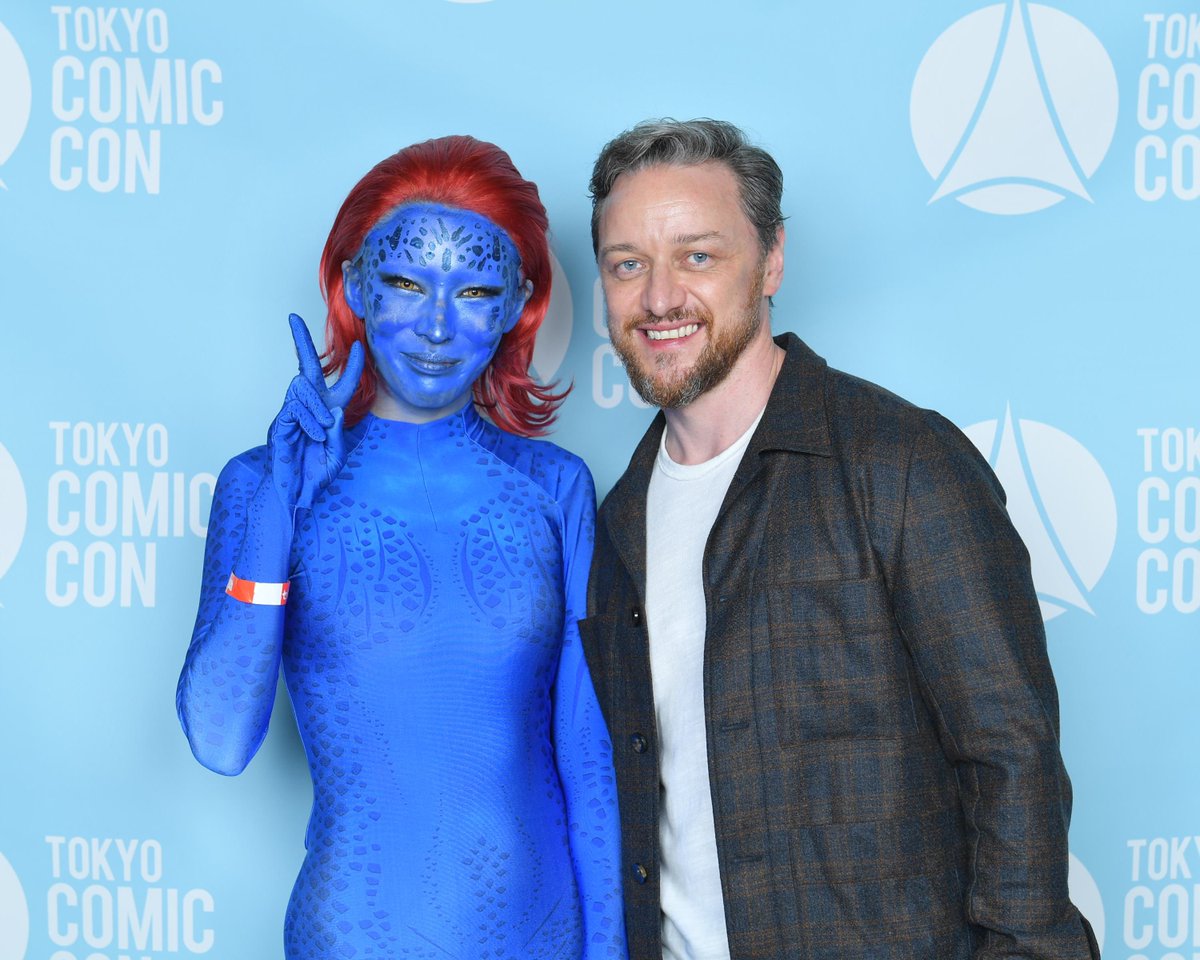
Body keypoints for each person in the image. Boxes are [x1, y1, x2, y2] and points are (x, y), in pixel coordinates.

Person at [578, 118, 1099, 960]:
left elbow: (1012, 760)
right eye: (627, 264)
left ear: (771, 261)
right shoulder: (615, 523)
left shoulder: (901, 463)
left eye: (698, 256)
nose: (661, 297)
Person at [177, 136, 626, 960]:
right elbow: (220, 739)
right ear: (354, 284)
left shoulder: (554, 486)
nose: (439, 327)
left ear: (518, 302)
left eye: (476, 290)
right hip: (355, 935)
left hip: (545, 937)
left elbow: (588, 756)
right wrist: (277, 516)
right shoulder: (261, 484)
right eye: (408, 284)